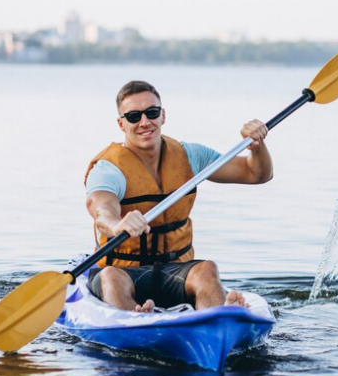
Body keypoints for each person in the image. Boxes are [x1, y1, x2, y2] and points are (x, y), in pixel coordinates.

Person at [84, 80, 272, 313]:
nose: (144, 122)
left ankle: (215, 319)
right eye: (133, 116)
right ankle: (138, 319)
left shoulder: (190, 156)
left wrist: (257, 147)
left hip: (175, 270)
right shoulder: (108, 168)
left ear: (163, 116)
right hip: (124, 271)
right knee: (110, 278)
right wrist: (116, 225)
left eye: (151, 113)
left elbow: (257, 174)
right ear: (121, 124)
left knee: (206, 270)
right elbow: (100, 208)